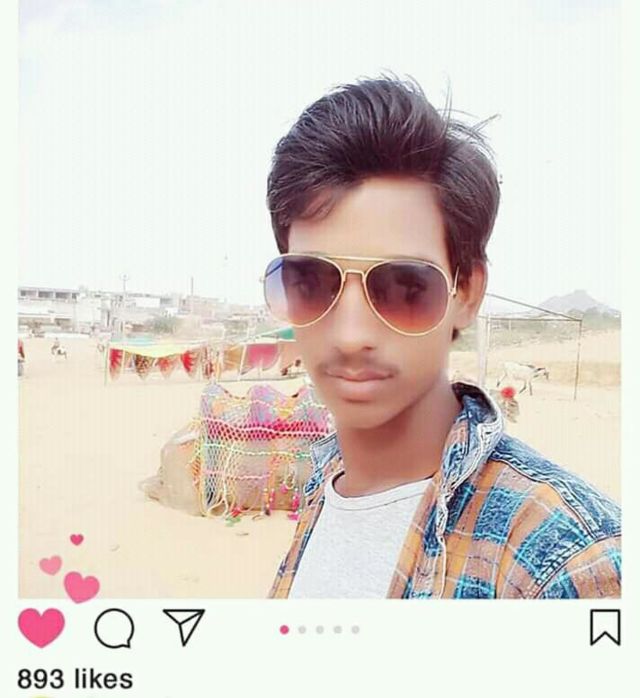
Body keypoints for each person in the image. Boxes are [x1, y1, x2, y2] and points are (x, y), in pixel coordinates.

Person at [262, 75, 621, 599]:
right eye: (312, 282)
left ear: (466, 292)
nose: (351, 335)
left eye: (405, 287)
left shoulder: (569, 566)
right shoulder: (325, 482)